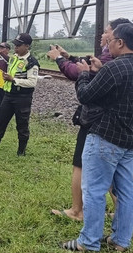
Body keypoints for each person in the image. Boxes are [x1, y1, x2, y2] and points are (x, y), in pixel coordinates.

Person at [48, 18, 130, 222]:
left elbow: (83, 85)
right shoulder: (115, 60)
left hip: (100, 123)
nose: (104, 36)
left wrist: (60, 60)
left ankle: (79, 214)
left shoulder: (115, 62)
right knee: (117, 175)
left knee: (83, 167)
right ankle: (120, 218)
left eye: (108, 33)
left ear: (119, 40)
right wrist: (70, 56)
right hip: (122, 129)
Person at [0, 33, 39, 156]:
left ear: (27, 46)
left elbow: (32, 82)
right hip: (8, 95)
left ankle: (21, 151)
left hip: (23, 97)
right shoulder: (14, 57)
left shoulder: (31, 62)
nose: (16, 48)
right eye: (15, 45)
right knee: (0, 122)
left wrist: (13, 79)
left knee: (22, 125)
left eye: (18, 45)